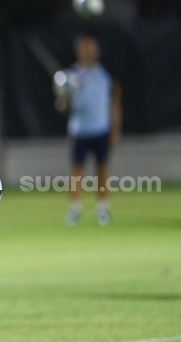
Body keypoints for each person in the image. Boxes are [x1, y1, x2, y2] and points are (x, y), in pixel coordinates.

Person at [55, 33, 122, 226]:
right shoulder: (71, 76)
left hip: (101, 128)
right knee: (77, 170)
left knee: (102, 169)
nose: (91, 52)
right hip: (80, 130)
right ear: (79, 50)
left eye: (93, 48)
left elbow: (114, 103)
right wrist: (64, 97)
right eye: (87, 48)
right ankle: (75, 210)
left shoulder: (105, 75)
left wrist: (115, 128)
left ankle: (103, 209)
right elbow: (63, 108)